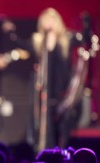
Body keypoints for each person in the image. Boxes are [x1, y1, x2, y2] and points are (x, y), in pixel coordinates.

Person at [30, 8, 87, 151]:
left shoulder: (67, 38)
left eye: (52, 20)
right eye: (46, 20)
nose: (49, 23)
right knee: (47, 124)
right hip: (46, 92)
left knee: (63, 123)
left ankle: (62, 153)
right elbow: (22, 44)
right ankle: (47, 153)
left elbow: (85, 39)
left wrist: (86, 24)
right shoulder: (39, 41)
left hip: (63, 91)